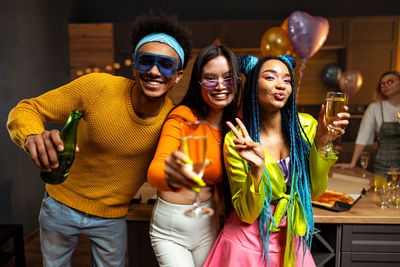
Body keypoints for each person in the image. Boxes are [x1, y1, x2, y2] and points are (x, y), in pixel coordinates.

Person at [6, 11, 192, 266]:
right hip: (60, 205)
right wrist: (30, 136)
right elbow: (27, 108)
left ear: (179, 75)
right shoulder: (97, 87)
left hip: (112, 217)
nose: (155, 71)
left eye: (167, 64)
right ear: (134, 63)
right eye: (145, 61)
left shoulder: (172, 120)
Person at [204, 55, 350, 267]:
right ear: (253, 85)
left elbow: (315, 193)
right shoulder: (237, 140)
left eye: (287, 80)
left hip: (290, 238)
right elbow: (247, 214)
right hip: (247, 242)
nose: (281, 85)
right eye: (270, 77)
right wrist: (257, 170)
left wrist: (320, 144)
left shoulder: (308, 128)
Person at [147, 44, 242, 267]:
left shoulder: (236, 127)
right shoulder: (183, 117)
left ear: (237, 82)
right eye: (210, 79)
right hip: (171, 229)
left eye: (228, 78)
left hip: (208, 225)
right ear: (198, 84)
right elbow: (155, 171)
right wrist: (172, 176)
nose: (220, 86)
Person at [334, 71, 400, 175]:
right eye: (382, 84)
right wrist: (352, 163)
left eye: (390, 81)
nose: (386, 85)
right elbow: (362, 137)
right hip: (382, 166)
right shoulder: (375, 108)